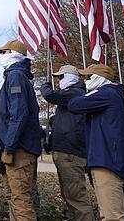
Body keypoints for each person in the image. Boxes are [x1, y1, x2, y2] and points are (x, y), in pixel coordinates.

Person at [68, 64, 124, 221]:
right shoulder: (110, 95)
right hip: (104, 159)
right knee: (106, 213)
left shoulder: (107, 93)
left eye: (89, 77)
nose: (86, 81)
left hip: (107, 161)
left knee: (112, 216)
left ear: (100, 78)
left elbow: (74, 105)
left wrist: (85, 94)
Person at [40, 65, 94, 221]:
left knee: (77, 197)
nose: (58, 81)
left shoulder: (75, 93)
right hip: (65, 151)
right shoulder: (68, 96)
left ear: (71, 77)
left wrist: (45, 85)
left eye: (61, 77)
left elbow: (49, 96)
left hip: (71, 153)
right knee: (70, 195)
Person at [0, 40, 41, 221]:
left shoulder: (15, 76)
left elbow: (18, 114)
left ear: (13, 53)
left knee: (21, 200)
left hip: (19, 149)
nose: (2, 56)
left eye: (4, 52)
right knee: (16, 197)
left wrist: (9, 147)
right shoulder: (15, 76)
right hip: (19, 147)